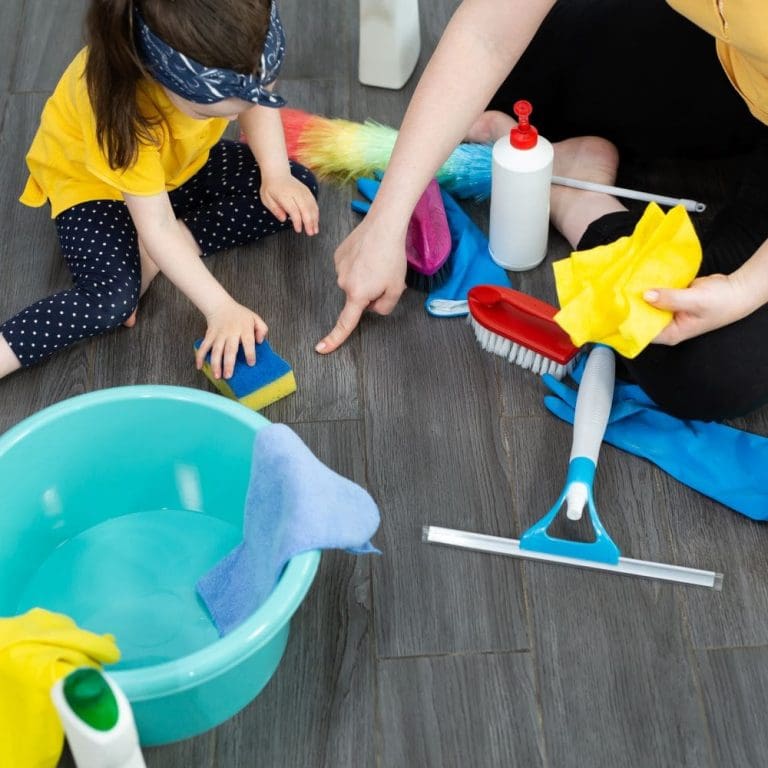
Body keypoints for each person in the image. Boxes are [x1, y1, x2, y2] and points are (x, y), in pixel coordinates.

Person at [316, 0, 768, 422]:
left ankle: (577, 198)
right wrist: (389, 217)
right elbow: (487, 35)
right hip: (736, 60)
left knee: (704, 363)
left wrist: (743, 289)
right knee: (525, 67)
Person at [0, 0, 318, 383]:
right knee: (112, 301)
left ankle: (165, 250)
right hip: (96, 190)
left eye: (257, 97)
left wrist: (276, 173)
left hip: (175, 170)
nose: (237, 117)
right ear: (158, 78)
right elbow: (157, 224)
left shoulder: (232, 51)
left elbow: (252, 107)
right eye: (211, 112)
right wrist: (220, 308)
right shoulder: (119, 112)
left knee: (294, 192)